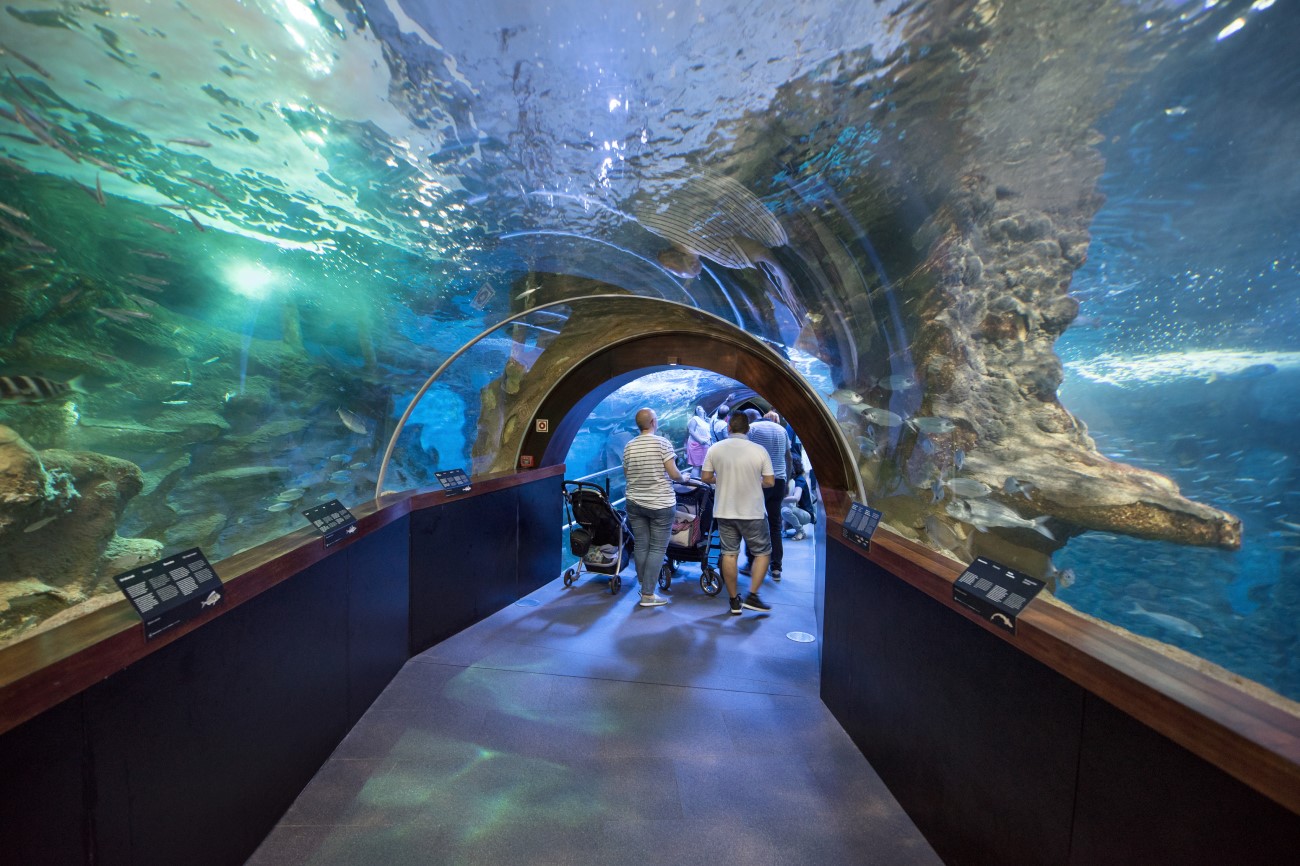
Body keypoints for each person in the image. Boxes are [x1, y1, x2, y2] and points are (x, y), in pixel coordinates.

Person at [701, 411, 774, 614]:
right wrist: (753, 481)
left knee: (729, 554)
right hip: (753, 511)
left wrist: (722, 479)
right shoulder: (759, 450)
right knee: (762, 553)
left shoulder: (715, 449)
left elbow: (705, 477)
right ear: (748, 429)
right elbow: (769, 481)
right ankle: (753, 596)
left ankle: (734, 601)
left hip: (724, 510)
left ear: (729, 428)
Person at [622, 407, 684, 607]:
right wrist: (684, 478)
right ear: (653, 422)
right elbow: (674, 474)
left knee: (641, 545)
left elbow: (627, 474)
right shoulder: (662, 443)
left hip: (634, 502)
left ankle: (644, 585)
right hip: (660, 504)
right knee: (657, 548)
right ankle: (648, 594)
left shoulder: (629, 446)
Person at [741, 409, 790, 580]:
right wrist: (786, 481)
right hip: (779, 481)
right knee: (775, 525)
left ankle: (751, 563)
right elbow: (788, 457)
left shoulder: (752, 429)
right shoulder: (781, 430)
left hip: (759, 482)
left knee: (752, 523)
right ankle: (776, 568)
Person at [781, 462, 814, 540]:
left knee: (784, 511)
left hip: (805, 514)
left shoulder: (798, 480)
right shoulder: (790, 481)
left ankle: (800, 531)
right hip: (797, 512)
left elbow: (796, 498)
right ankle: (786, 528)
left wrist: (779, 499)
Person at [685, 405, 711, 476]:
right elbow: (691, 431)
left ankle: (702, 481)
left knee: (704, 465)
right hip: (697, 444)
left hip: (705, 444)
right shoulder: (695, 419)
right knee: (696, 466)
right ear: (696, 411)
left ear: (704, 411)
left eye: (700, 408)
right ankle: (694, 482)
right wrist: (700, 440)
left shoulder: (706, 420)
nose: (699, 409)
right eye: (697, 408)